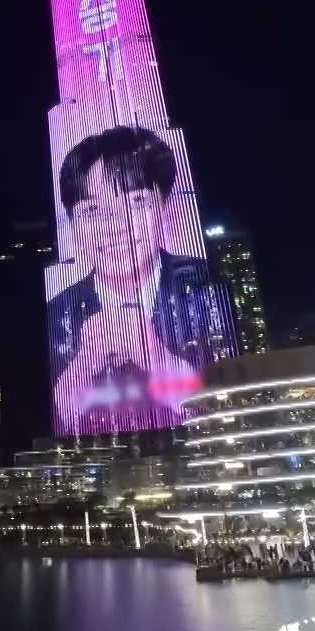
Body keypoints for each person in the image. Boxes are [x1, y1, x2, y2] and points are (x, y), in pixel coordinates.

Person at [48, 125, 228, 433]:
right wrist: (80, 369)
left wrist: (157, 358)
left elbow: (239, 412)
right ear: (72, 227)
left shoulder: (210, 288)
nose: (116, 226)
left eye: (135, 203)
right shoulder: (56, 313)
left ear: (166, 210)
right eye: (91, 211)